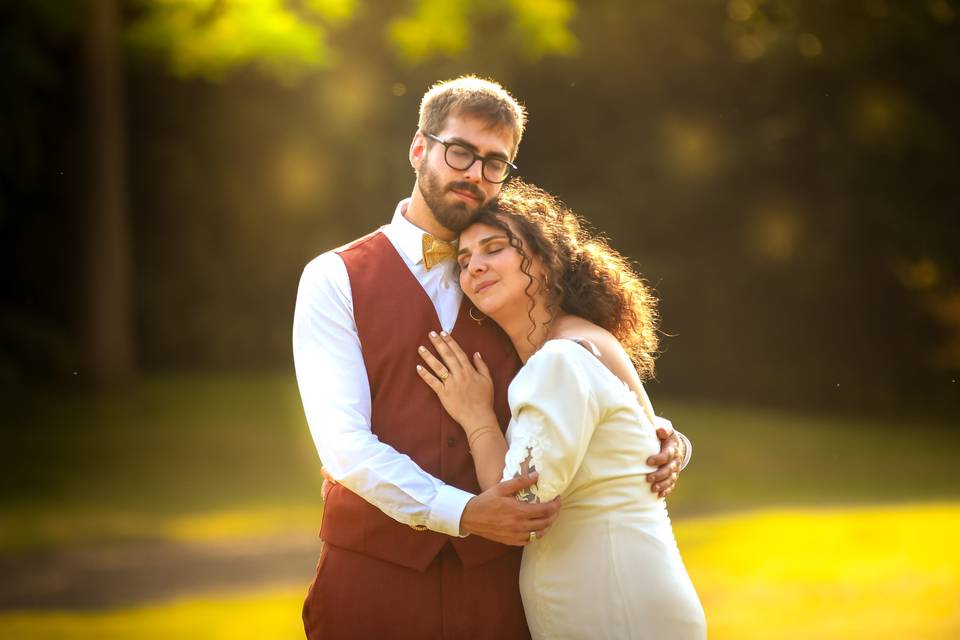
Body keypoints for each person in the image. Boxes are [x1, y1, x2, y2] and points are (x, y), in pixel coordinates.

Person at [292, 76, 691, 640]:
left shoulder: (514, 280)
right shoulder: (334, 278)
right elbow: (342, 444)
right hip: (372, 581)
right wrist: (460, 512)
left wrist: (661, 436)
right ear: (418, 148)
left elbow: (589, 378)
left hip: (501, 591)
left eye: (494, 162)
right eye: (460, 152)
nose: (474, 173)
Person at [415, 180, 707, 639]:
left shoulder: (560, 359)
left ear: (546, 259)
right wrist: (677, 443)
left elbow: (519, 507)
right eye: (465, 259)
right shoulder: (581, 343)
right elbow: (648, 438)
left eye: (493, 249)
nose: (474, 267)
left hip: (612, 607)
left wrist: (476, 418)